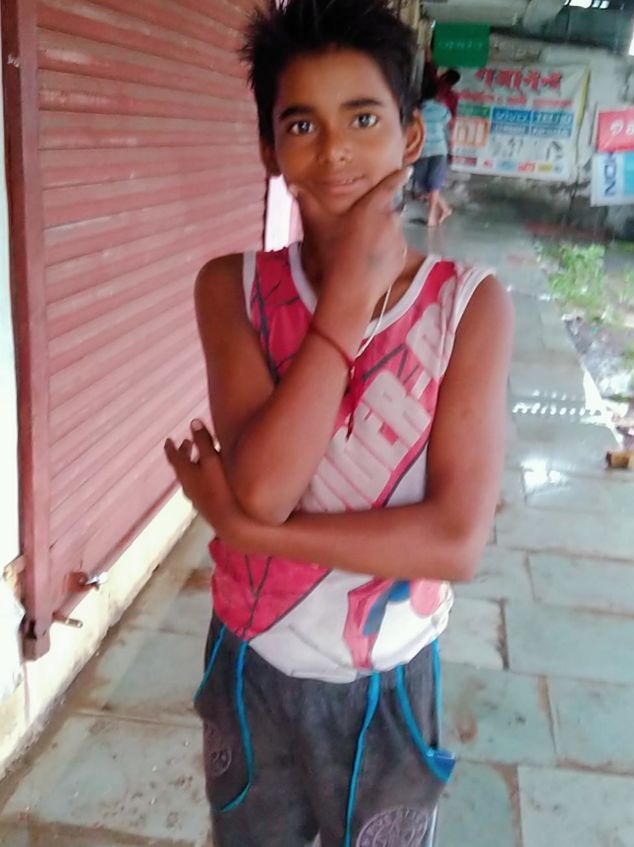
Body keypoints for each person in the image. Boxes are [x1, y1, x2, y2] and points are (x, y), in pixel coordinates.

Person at [165, 0, 513, 844]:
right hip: (252, 662)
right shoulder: (232, 288)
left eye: (363, 118)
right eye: (301, 124)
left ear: (412, 136)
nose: (335, 151)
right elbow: (264, 486)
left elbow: (453, 542)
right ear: (268, 149)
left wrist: (251, 533)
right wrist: (348, 299)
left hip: (390, 681)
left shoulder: (469, 307)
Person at [414, 78, 454, 228]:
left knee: (428, 184)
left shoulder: (415, 111)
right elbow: (448, 127)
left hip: (422, 150)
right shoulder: (442, 109)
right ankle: (445, 209)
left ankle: (431, 218)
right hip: (439, 150)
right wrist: (449, 143)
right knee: (430, 185)